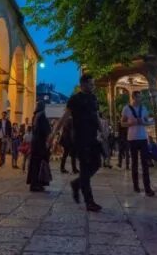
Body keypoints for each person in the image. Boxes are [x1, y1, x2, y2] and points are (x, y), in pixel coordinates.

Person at [53, 74, 103, 212]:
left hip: (93, 137)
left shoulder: (94, 98)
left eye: (93, 84)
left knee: (97, 163)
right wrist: (54, 133)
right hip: (80, 138)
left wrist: (102, 130)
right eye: (90, 84)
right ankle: (89, 201)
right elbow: (65, 117)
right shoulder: (75, 99)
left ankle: (77, 183)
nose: (93, 86)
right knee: (85, 168)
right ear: (83, 84)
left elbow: (96, 116)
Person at [121, 91, 155, 196]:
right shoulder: (127, 109)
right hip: (132, 138)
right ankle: (136, 185)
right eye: (138, 97)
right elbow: (122, 123)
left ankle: (147, 188)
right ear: (133, 97)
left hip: (143, 137)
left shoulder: (143, 108)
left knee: (145, 163)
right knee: (134, 163)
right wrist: (131, 123)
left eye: (141, 97)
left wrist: (144, 122)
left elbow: (148, 121)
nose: (140, 99)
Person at [27, 101, 52, 192]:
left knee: (34, 164)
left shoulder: (35, 116)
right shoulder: (42, 117)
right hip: (40, 144)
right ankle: (37, 184)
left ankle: (34, 184)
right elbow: (47, 131)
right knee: (39, 164)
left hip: (35, 143)